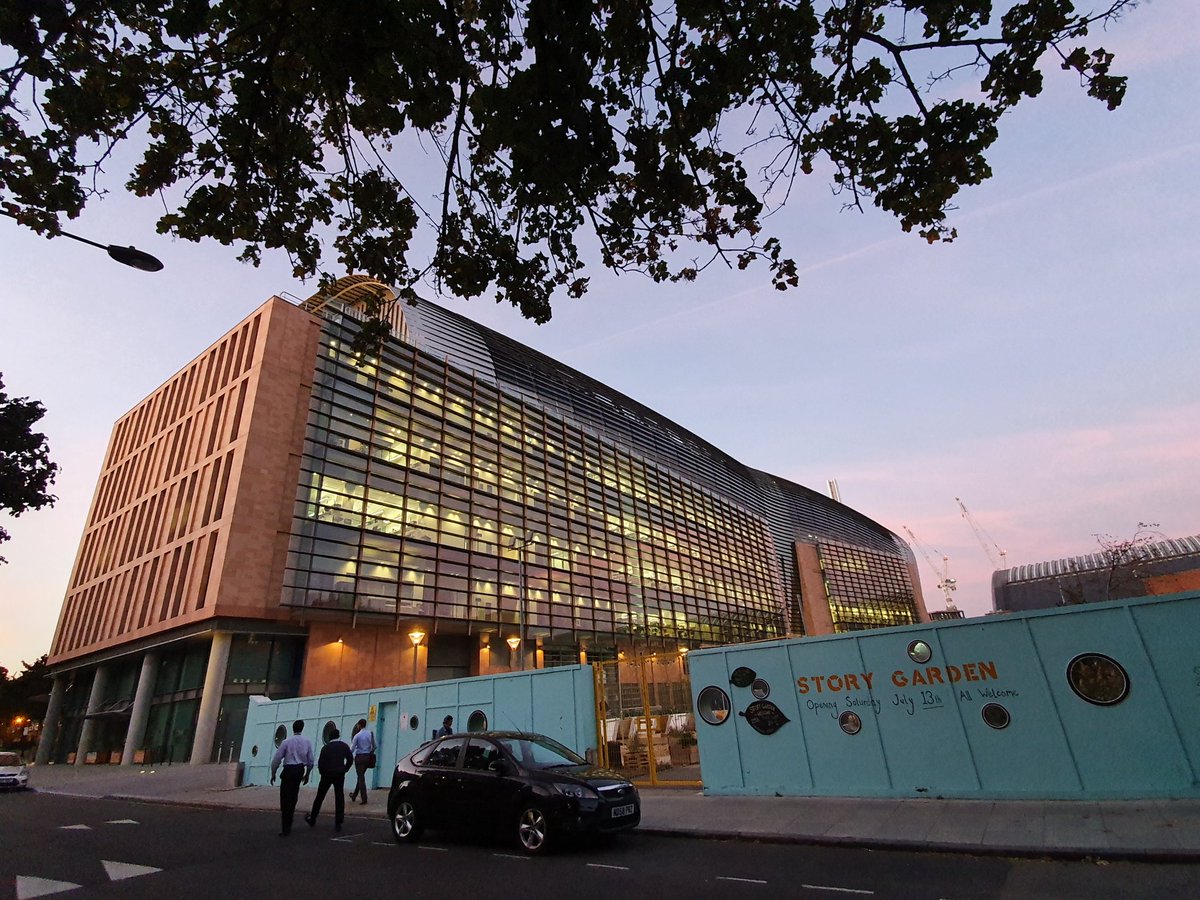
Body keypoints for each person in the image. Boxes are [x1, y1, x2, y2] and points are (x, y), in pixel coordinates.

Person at [305, 726, 354, 832]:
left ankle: (313, 818)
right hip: (339, 774)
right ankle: (338, 822)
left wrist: (323, 772)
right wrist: (345, 769)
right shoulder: (343, 746)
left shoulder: (325, 748)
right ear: (338, 736)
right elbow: (350, 759)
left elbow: (320, 763)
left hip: (327, 775)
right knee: (339, 797)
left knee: (320, 796)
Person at [270, 719, 314, 837]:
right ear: (302, 728)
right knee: (293, 796)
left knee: (285, 797)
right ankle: (289, 821)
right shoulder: (307, 742)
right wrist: (307, 774)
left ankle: (285, 826)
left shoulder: (286, 742)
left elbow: (277, 759)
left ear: (293, 728)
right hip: (299, 770)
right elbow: (311, 760)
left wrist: (273, 773)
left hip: (288, 770)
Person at [348, 718, 376, 805]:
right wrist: (370, 752)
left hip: (359, 757)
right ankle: (354, 795)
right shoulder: (370, 733)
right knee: (360, 777)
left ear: (359, 725)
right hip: (367, 757)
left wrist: (349, 756)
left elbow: (352, 749)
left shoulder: (357, 736)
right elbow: (375, 746)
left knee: (361, 778)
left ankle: (364, 798)